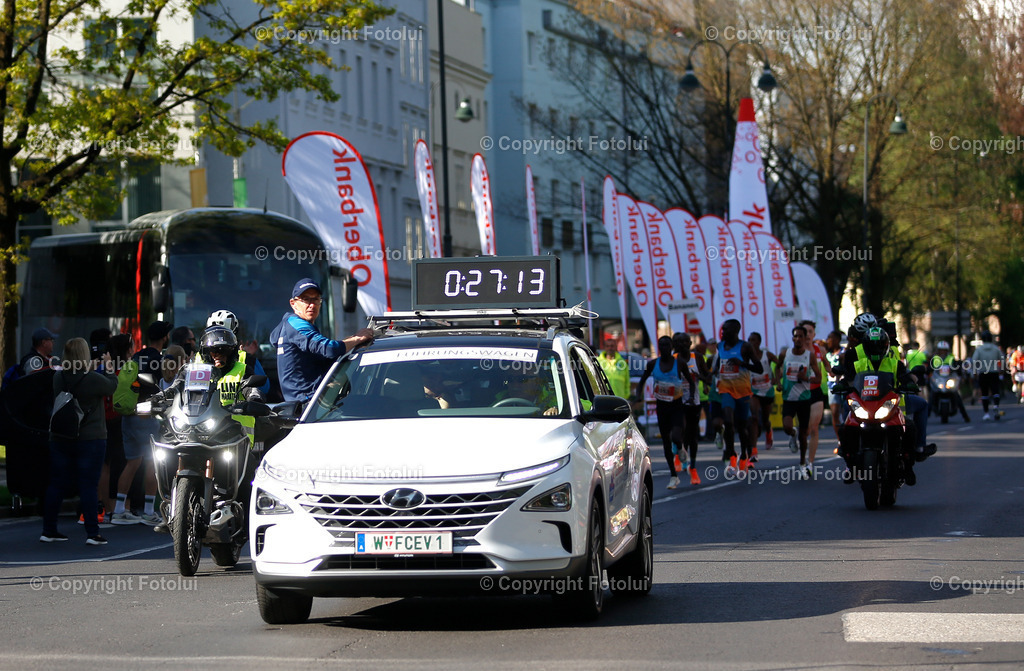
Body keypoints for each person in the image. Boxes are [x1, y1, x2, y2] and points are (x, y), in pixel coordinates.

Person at [40, 338, 117, 545]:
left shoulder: (58, 377)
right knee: (88, 485)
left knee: (56, 483)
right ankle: (92, 533)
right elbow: (111, 386)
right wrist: (109, 367)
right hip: (90, 437)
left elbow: (76, 378)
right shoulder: (92, 379)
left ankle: (48, 530)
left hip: (60, 436)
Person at [838, 326, 931, 485]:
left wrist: (910, 384)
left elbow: (905, 377)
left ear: (886, 346)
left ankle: (908, 467)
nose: (875, 349)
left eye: (879, 345)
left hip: (889, 408)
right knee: (844, 429)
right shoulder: (859, 364)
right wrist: (840, 385)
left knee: (909, 428)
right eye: (871, 345)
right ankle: (851, 465)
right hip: (865, 407)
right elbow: (847, 379)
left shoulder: (895, 364)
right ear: (865, 347)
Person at [271, 278, 374, 402]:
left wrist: (350, 341)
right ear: (293, 303)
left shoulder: (288, 325)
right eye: (306, 299)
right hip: (308, 402)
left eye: (316, 299)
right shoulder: (297, 324)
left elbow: (322, 356)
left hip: (302, 402)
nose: (312, 305)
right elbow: (329, 349)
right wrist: (357, 339)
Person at [110, 321, 172, 526]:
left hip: (129, 414)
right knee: (153, 463)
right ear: (164, 338)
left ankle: (119, 510)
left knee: (132, 463)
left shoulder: (137, 356)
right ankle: (148, 511)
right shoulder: (158, 360)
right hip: (146, 415)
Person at [636, 336, 692, 489]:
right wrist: (638, 395)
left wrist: (691, 397)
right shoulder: (653, 364)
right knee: (666, 442)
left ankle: (680, 447)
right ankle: (673, 476)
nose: (664, 348)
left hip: (677, 406)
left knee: (675, 437)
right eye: (661, 345)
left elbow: (690, 382)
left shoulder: (679, 363)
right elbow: (642, 381)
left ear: (671, 346)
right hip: (662, 408)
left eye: (667, 345)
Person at [709, 319, 763, 476]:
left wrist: (742, 363)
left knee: (742, 426)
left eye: (725, 330)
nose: (722, 332)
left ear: (735, 331)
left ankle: (744, 455)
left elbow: (759, 368)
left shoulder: (745, 347)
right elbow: (719, 363)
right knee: (728, 422)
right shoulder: (720, 346)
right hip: (726, 390)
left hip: (742, 391)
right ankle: (731, 454)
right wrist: (712, 373)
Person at [775, 325, 820, 479]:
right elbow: (777, 368)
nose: (798, 339)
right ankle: (792, 434)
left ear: (805, 338)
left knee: (804, 434)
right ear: (792, 338)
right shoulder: (785, 354)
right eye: (796, 336)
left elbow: (819, 378)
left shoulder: (809, 356)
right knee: (787, 427)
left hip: (804, 399)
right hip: (789, 398)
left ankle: (802, 463)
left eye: (801, 336)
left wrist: (806, 378)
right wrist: (778, 382)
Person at [205, 309, 270, 397]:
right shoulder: (198, 359)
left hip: (237, 405)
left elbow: (264, 388)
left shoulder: (246, 358)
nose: (218, 351)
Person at [673, 332, 707, 485]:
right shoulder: (672, 359)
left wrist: (700, 378)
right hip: (677, 401)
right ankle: (678, 452)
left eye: (685, 342)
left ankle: (692, 467)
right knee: (679, 432)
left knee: (692, 436)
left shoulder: (697, 357)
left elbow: (708, 377)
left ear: (690, 343)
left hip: (694, 401)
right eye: (679, 342)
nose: (682, 345)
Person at [799, 320, 828, 475]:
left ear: (814, 334)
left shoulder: (820, 350)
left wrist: (835, 372)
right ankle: (802, 456)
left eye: (810, 331)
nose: (808, 334)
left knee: (814, 427)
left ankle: (810, 463)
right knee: (805, 429)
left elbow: (828, 366)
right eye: (805, 332)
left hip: (816, 392)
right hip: (801, 392)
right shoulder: (796, 351)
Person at [746, 332, 779, 461]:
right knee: (754, 417)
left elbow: (780, 364)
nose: (751, 342)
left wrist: (776, 379)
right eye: (749, 340)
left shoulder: (767, 355)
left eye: (753, 340)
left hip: (767, 390)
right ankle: (754, 450)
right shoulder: (746, 356)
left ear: (759, 342)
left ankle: (768, 430)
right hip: (753, 391)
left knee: (765, 419)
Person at [930, 341, 970, 422]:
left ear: (947, 350)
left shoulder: (951, 358)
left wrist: (960, 372)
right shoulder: (934, 359)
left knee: (957, 396)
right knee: (931, 397)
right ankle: (925, 416)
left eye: (944, 350)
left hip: (949, 380)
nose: (942, 352)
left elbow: (957, 367)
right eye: (941, 350)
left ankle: (965, 416)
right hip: (939, 380)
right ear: (938, 350)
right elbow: (930, 369)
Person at [971, 331, 1004, 420]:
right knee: (995, 391)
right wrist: (1002, 369)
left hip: (983, 373)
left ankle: (986, 413)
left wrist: (974, 372)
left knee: (984, 393)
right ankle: (996, 406)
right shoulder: (996, 349)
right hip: (994, 372)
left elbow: (974, 361)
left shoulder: (979, 349)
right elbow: (1002, 359)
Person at [824, 330, 845, 449]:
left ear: (837, 340)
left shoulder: (844, 352)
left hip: (844, 385)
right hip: (832, 386)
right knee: (835, 413)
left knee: (846, 411)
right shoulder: (827, 354)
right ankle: (840, 440)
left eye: (830, 338)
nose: (828, 341)